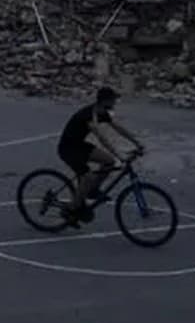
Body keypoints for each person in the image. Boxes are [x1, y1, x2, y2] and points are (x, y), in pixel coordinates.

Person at [55, 85, 141, 223]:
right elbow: (102, 138)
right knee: (87, 177)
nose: (115, 103)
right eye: (113, 100)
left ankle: (91, 190)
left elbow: (118, 128)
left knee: (108, 161)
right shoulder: (88, 115)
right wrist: (119, 155)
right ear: (105, 101)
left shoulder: (102, 112)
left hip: (79, 145)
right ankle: (70, 209)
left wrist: (137, 142)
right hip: (68, 149)